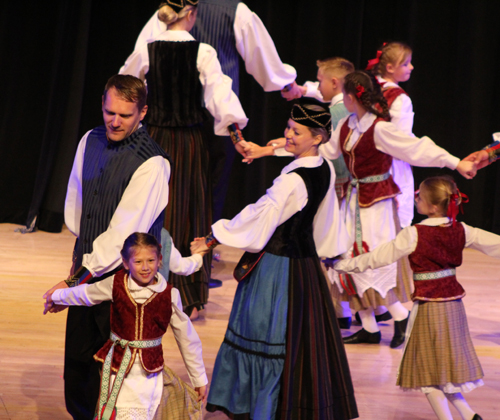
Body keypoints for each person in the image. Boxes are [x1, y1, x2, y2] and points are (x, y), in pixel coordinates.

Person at [191, 98, 358, 420]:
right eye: (288, 129)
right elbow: (324, 219)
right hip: (305, 267)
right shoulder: (321, 167)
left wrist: (213, 239)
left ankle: (260, 406)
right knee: (297, 338)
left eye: (296, 132)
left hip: (278, 270)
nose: (288, 136)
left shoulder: (291, 182)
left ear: (318, 137)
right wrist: (266, 149)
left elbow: (257, 216)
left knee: (263, 333)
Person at [42, 74, 171, 420]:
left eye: (124, 115)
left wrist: (73, 284)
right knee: (79, 364)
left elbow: (121, 235)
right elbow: (77, 204)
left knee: (116, 372)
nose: (114, 121)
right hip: (88, 267)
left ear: (142, 113)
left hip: (124, 284)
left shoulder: (152, 163)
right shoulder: (90, 140)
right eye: (109, 111)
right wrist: (77, 268)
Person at [320, 70, 476, 348]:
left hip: (376, 206)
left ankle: (400, 316)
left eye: (344, 94)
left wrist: (456, 163)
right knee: (347, 257)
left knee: (373, 260)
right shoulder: (347, 124)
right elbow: (324, 151)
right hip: (353, 202)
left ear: (351, 97)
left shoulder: (380, 128)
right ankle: (369, 327)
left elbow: (417, 149)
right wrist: (277, 148)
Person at [119, 0, 249, 320]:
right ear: (191, 15)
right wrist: (238, 139)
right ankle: (186, 296)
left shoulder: (148, 50)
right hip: (189, 142)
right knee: (188, 210)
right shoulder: (203, 53)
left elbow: (125, 84)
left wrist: (131, 125)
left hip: (153, 141)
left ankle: (145, 285)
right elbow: (221, 99)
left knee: (153, 208)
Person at [334, 175, 493, 420]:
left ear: (431, 207)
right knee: (444, 367)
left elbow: (378, 257)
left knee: (426, 371)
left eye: (419, 195)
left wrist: (343, 264)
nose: (415, 197)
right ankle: (470, 415)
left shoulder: (414, 234)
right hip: (454, 306)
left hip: (430, 307)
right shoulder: (462, 229)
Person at [133, 0, 299, 222]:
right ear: (191, 14)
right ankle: (198, 246)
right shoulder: (232, 11)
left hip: (161, 122)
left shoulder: (169, 10)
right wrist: (285, 83)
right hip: (213, 120)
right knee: (207, 187)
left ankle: (154, 246)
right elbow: (260, 57)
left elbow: (133, 74)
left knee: (162, 184)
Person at [44, 232, 208, 420]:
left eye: (151, 260)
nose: (145, 267)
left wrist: (199, 378)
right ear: (125, 262)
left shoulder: (169, 294)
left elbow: (187, 339)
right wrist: (56, 296)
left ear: (160, 260)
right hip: (117, 371)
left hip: (149, 376)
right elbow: (87, 294)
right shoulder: (116, 284)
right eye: (138, 262)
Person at [367, 41, 415, 229]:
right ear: (390, 68)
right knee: (394, 223)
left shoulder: (366, 89)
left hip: (363, 160)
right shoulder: (400, 98)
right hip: (390, 164)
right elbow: (401, 141)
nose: (411, 67)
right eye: (406, 63)